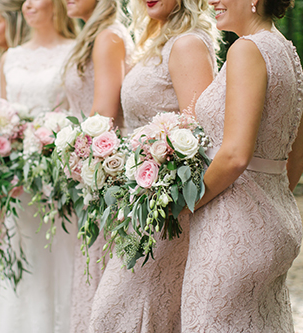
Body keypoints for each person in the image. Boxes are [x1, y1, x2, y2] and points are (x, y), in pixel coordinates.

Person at [86, 0, 219, 331]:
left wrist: (154, 182)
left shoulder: (187, 43)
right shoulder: (155, 38)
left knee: (118, 311)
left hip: (163, 212)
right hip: (137, 205)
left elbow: (197, 135)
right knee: (127, 311)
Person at [180, 0, 303, 330]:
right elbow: (298, 156)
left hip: (231, 229)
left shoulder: (246, 49)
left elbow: (235, 155)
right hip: (275, 222)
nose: (212, 1)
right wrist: (264, 207)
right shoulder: (288, 52)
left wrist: (182, 204)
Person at [0, 0, 78, 331]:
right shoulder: (11, 57)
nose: (27, 5)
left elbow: (79, 110)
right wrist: (1, 158)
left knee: (58, 255)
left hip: (56, 176)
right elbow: (0, 114)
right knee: (23, 255)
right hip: (16, 179)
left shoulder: (76, 50)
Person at [62, 0, 133, 331]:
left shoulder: (108, 37)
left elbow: (104, 114)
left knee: (99, 263)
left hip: (104, 172)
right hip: (87, 169)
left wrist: (68, 149)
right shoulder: (91, 35)